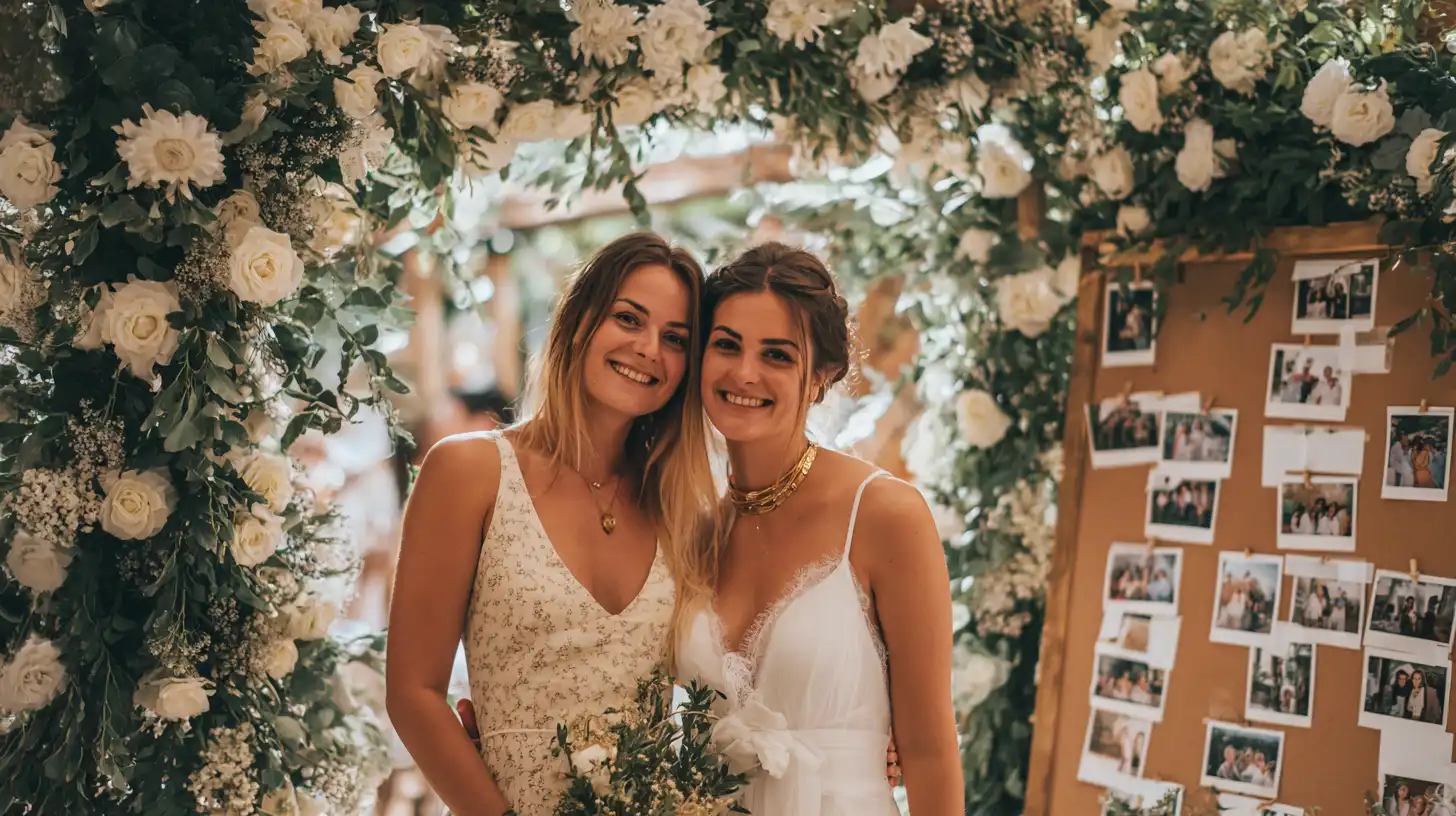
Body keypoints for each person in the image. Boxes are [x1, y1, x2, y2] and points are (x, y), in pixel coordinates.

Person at [385, 233, 718, 816]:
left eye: (675, 339)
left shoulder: (678, 507)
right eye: (628, 318)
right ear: (578, 320)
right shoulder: (470, 472)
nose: (648, 348)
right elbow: (413, 694)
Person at [675, 244, 963, 815]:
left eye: (777, 355)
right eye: (726, 345)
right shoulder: (694, 528)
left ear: (821, 378)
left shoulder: (885, 516)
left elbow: (930, 754)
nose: (744, 373)